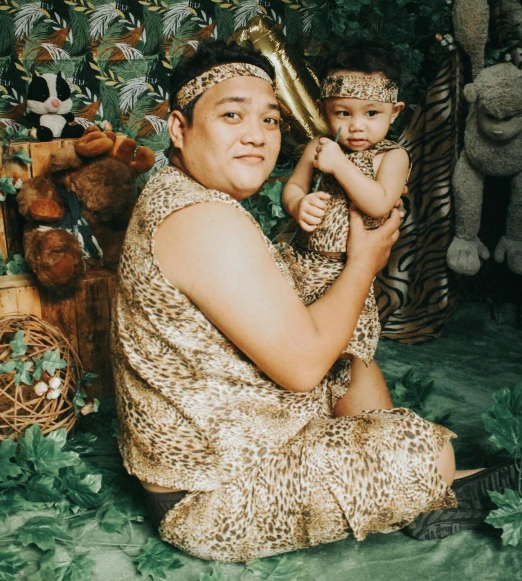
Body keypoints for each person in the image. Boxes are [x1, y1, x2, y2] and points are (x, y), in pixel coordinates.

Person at [111, 39, 516, 563]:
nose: (256, 136)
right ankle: (442, 485)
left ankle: (434, 487)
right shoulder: (202, 220)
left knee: (350, 362)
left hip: (241, 430)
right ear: (180, 128)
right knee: (427, 452)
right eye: (232, 115)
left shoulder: (186, 193)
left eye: (271, 121)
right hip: (209, 497)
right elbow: (302, 367)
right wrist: (362, 264)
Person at [282, 40, 410, 366]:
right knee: (288, 330)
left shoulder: (392, 157)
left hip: (346, 272)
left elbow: (379, 204)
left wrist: (340, 165)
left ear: (393, 113)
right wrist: (298, 203)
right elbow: (294, 185)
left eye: (371, 113)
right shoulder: (320, 145)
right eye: (343, 113)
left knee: (337, 347)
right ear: (324, 109)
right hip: (303, 258)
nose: (356, 125)